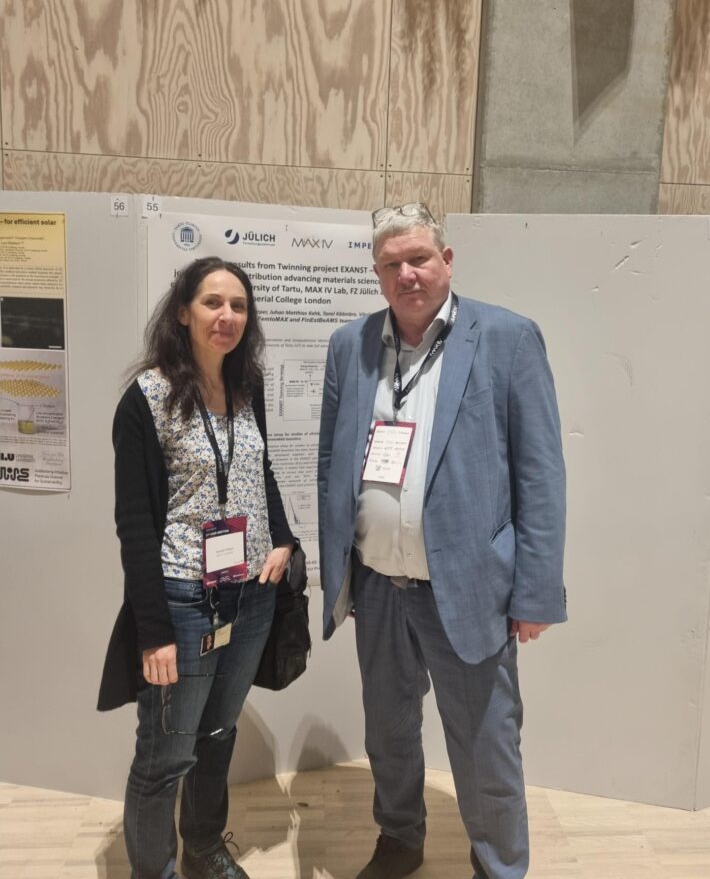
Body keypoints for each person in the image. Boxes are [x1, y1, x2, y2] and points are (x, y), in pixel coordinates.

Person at [317, 204, 566, 879]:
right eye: (391, 264)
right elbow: (331, 463)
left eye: (419, 258)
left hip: (469, 585)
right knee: (388, 731)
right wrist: (339, 574)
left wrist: (536, 591)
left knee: (486, 744)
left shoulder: (508, 338)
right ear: (377, 274)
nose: (407, 274)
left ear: (447, 261)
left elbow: (540, 475)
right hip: (378, 585)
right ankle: (400, 840)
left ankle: (499, 866)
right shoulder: (350, 345)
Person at [98, 257, 296, 879]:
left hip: (251, 595)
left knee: (217, 736)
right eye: (213, 302)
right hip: (184, 601)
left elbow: (260, 473)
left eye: (238, 305)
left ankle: (204, 850)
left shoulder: (247, 386)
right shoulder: (147, 398)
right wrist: (153, 630)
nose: (227, 316)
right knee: (165, 756)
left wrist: (283, 539)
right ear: (183, 312)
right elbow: (135, 525)